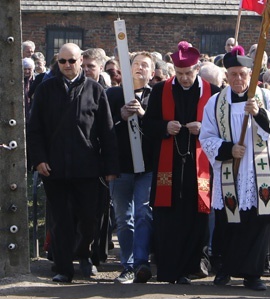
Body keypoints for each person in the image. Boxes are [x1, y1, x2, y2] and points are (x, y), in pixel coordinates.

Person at [28, 43, 119, 283]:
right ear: (57, 62)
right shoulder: (46, 89)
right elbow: (34, 128)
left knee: (89, 218)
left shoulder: (95, 90)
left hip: (87, 167)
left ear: (81, 61)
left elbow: (107, 131)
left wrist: (110, 167)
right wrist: (38, 159)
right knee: (61, 219)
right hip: (54, 168)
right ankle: (64, 267)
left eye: (72, 61)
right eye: (62, 61)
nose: (67, 66)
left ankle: (85, 255)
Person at [199, 48, 270, 291]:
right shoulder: (216, 102)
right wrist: (228, 149)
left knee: (259, 221)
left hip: (261, 169)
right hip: (232, 169)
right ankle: (226, 268)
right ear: (227, 75)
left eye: (243, 75)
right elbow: (206, 137)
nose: (238, 79)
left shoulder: (266, 98)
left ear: (251, 75)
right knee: (231, 220)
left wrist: (259, 114)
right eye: (233, 74)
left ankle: (253, 273)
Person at [143, 41, 219, 284]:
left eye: (188, 73)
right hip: (169, 165)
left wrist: (204, 129)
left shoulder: (213, 92)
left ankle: (191, 267)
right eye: (180, 73)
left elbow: (222, 129)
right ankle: (167, 270)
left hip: (200, 167)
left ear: (197, 69)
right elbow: (148, 125)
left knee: (196, 218)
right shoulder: (160, 90)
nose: (185, 78)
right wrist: (165, 127)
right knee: (167, 218)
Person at [106, 52, 156, 284]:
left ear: (152, 73)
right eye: (136, 64)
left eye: (145, 66)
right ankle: (127, 265)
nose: (140, 68)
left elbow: (160, 130)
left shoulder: (156, 97)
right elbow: (102, 130)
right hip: (121, 167)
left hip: (147, 167)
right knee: (124, 218)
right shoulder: (113, 94)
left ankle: (141, 263)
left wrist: (143, 115)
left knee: (143, 214)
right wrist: (120, 117)